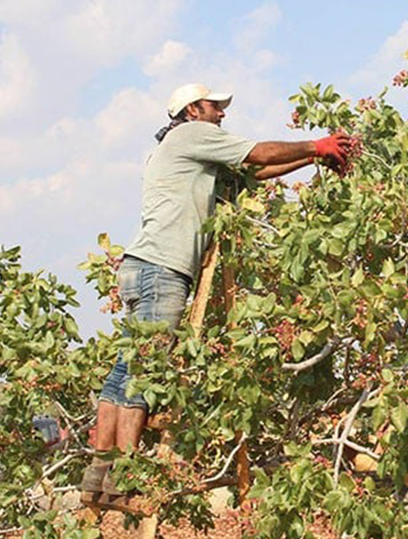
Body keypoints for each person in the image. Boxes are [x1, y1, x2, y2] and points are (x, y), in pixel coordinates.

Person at [79, 83, 353, 497]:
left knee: (124, 370)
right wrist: (317, 144)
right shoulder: (192, 134)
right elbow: (258, 153)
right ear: (192, 110)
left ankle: (100, 469)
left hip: (140, 266)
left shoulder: (187, 150)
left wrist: (314, 157)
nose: (222, 113)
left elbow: (254, 172)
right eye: (214, 106)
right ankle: (126, 470)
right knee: (146, 370)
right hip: (162, 269)